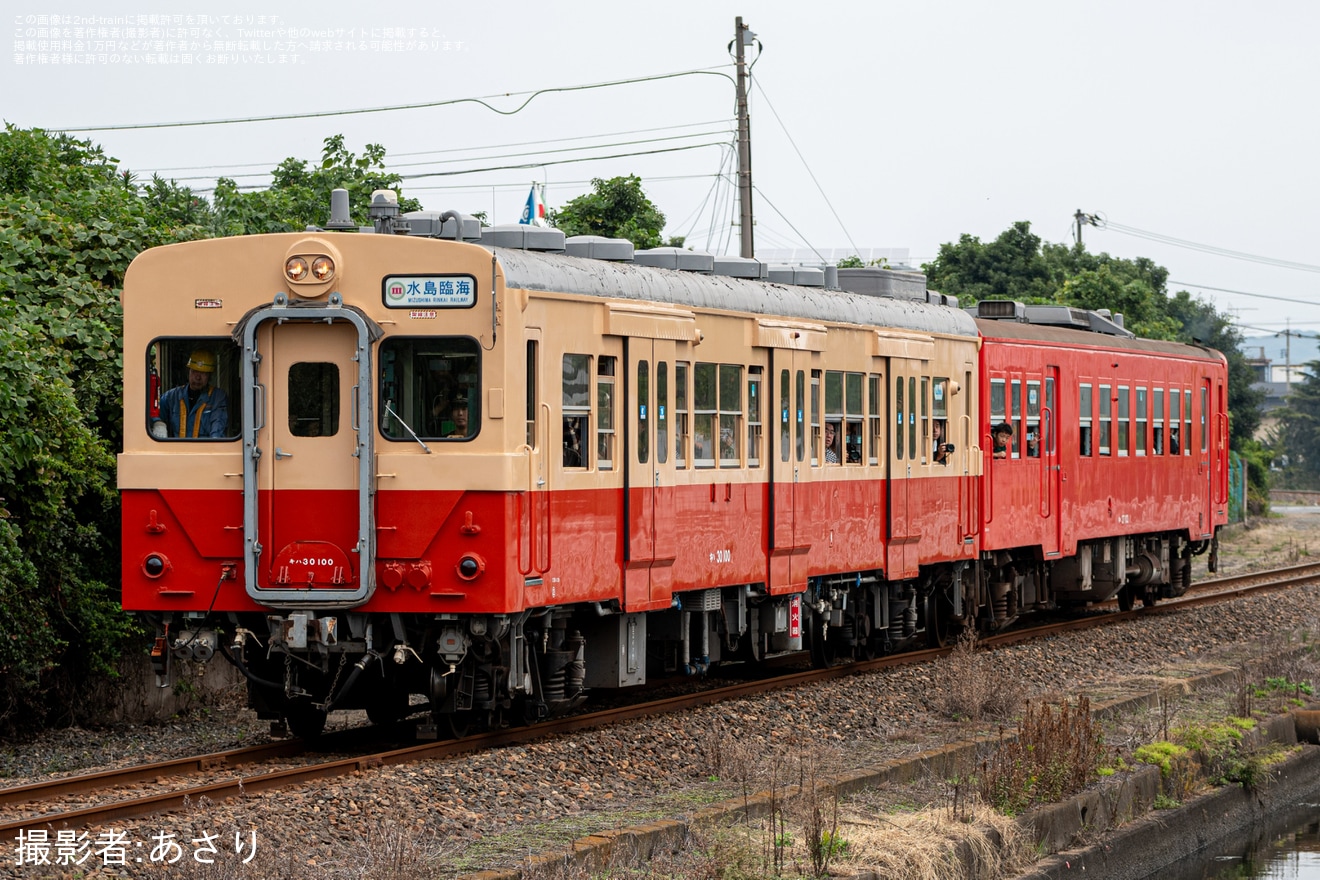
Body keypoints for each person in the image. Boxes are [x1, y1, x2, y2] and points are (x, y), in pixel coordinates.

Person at [153, 349, 229, 439]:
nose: (197, 377)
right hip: (177, 451)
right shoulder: (172, 396)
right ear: (188, 372)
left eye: (203, 373)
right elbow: (153, 412)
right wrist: (157, 422)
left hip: (205, 451)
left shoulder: (217, 397)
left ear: (210, 375)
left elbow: (218, 430)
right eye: (194, 371)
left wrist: (213, 448)